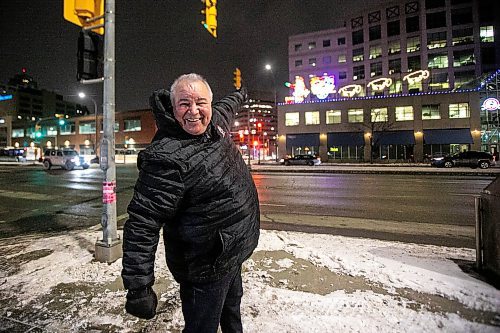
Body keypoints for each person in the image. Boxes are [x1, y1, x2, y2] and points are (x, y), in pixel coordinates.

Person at [121, 73, 260, 333]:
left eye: (201, 103)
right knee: (201, 327)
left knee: (232, 312)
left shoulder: (216, 124)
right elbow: (142, 224)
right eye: (184, 104)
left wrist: (241, 93)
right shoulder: (166, 158)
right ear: (173, 109)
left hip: (231, 254)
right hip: (204, 269)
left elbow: (228, 105)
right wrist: (139, 287)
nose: (193, 111)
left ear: (210, 104)